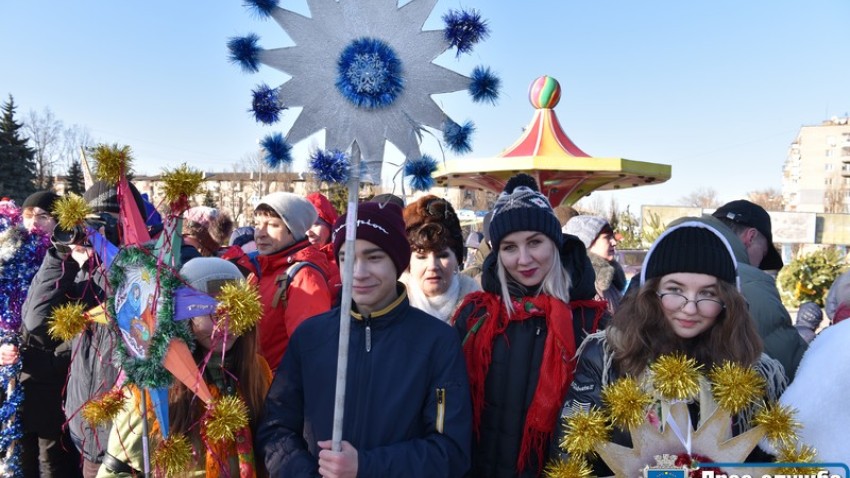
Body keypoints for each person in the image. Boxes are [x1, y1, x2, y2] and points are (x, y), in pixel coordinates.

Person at [551, 221, 787, 475]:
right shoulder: (610, 356)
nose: (690, 308)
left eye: (707, 294)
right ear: (652, 293)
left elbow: (772, 459)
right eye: (675, 290)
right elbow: (570, 453)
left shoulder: (753, 370)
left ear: (727, 301)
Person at [256, 201, 472, 477]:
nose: (358, 272)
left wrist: (365, 466)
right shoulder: (310, 337)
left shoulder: (436, 342)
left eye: (374, 257)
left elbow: (450, 450)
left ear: (397, 261)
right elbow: (276, 427)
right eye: (347, 258)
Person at [451, 174, 605, 478]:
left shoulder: (590, 323)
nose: (523, 259)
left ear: (555, 243)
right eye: (509, 247)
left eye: (535, 242)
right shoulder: (476, 315)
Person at [97, 258, 272, 477]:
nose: (225, 325)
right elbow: (117, 469)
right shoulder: (154, 387)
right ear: (181, 316)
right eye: (214, 313)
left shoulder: (257, 372)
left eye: (238, 312)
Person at [20, 180, 147, 477]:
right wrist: (60, 255)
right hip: (85, 432)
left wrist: (115, 257)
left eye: (107, 222)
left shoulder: (149, 271)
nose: (96, 232)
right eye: (90, 223)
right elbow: (36, 321)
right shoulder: (79, 272)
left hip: (130, 438)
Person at [700, 200, 808, 380]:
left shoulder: (668, 259)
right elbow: (788, 367)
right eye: (763, 253)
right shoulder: (748, 281)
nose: (759, 265)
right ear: (750, 237)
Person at [245, 192, 333, 371]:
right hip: (254, 385)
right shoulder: (261, 270)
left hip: (277, 391)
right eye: (257, 224)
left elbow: (310, 353)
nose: (260, 234)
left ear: (294, 231)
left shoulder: (304, 277)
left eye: (272, 225)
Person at [401, 195, 481, 323]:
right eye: (421, 257)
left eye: (442, 255)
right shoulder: (392, 308)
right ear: (409, 263)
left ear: (456, 259)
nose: (432, 265)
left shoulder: (480, 309)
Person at [564, 215, 626, 313]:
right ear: (585, 242)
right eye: (607, 237)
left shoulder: (607, 278)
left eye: (612, 237)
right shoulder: (583, 285)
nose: (614, 242)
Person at [305, 191, 342, 300]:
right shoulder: (293, 259)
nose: (308, 232)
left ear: (330, 226)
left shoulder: (344, 261)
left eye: (316, 224)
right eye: (305, 225)